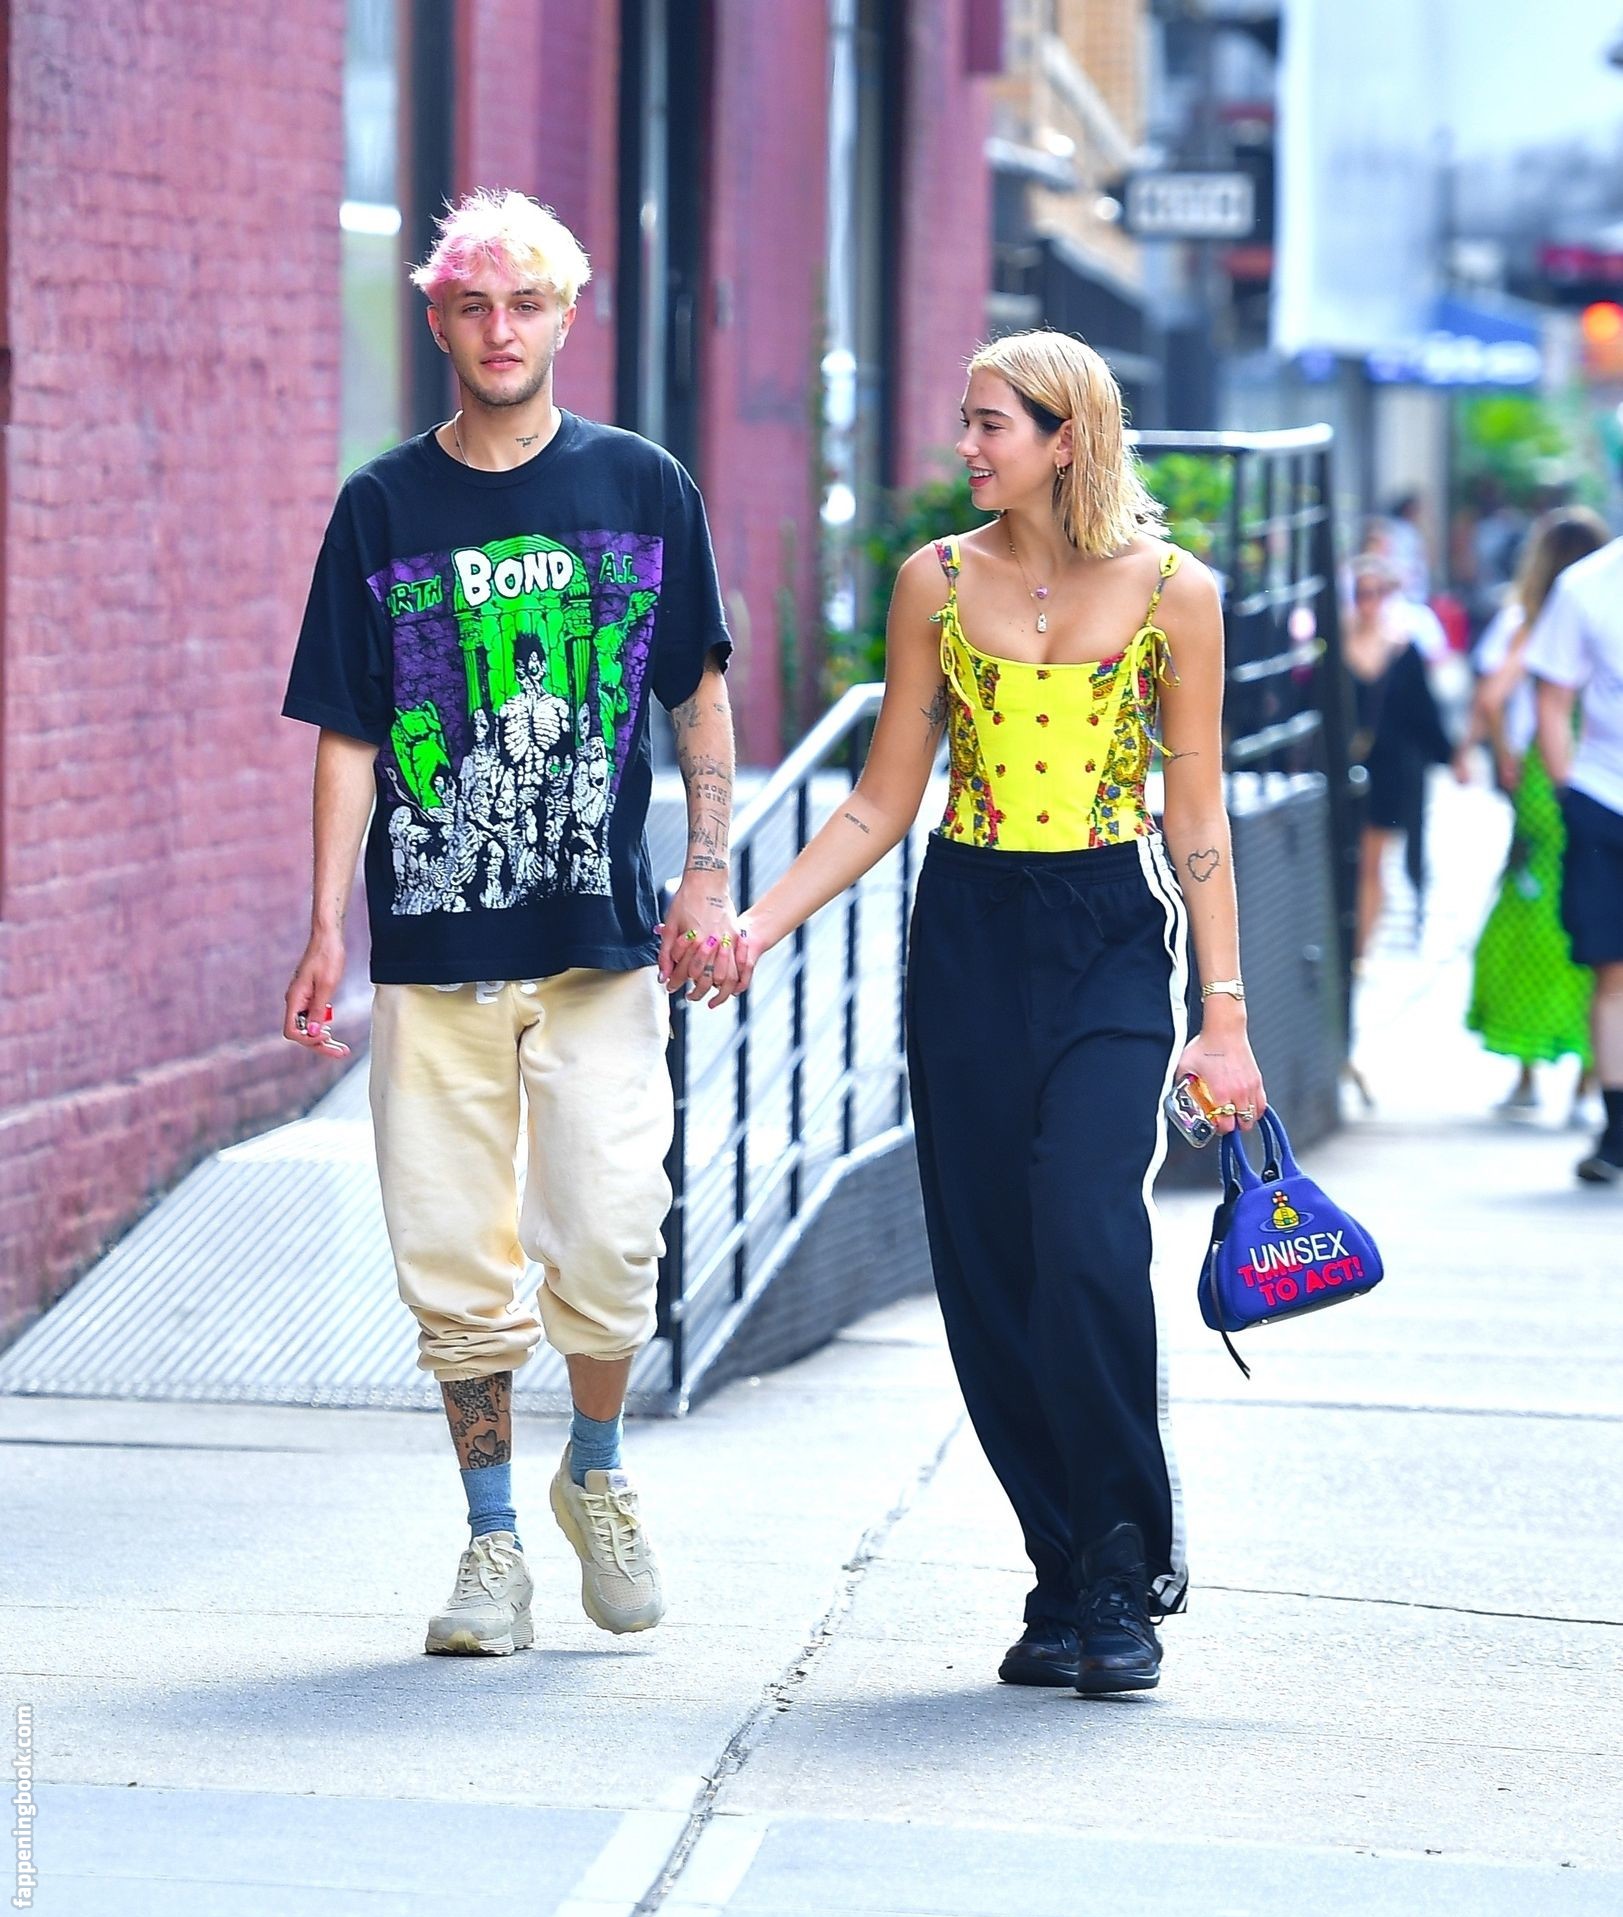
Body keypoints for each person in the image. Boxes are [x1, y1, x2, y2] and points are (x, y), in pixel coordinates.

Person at [708, 329, 1265, 1697]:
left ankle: (1123, 1569)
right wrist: (756, 924)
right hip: (965, 930)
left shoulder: (1176, 592)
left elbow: (1194, 810)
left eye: (988, 425)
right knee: (988, 1264)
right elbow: (877, 801)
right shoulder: (935, 583)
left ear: (1065, 438)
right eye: (965, 421)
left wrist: (1225, 1015)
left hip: (1108, 931)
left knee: (1084, 1237)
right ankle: (1058, 1570)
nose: (963, 447)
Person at [280, 189, 740, 1654]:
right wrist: (324, 929)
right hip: (432, 948)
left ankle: (593, 1471)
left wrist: (707, 873)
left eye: (525, 304)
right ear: (437, 322)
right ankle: (491, 1545)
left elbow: (697, 697)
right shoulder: (381, 505)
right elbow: (348, 732)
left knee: (610, 1236)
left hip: (598, 944)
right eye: (473, 306)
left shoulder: (642, 487)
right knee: (452, 1263)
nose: (500, 329)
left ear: (565, 318)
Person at [1462, 509, 1606, 1114]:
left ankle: (1527, 1069)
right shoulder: (1598, 608)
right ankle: (1591, 1077)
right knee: (1596, 922)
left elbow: (1492, 694)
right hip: (1593, 779)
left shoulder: (1527, 622)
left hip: (1544, 784)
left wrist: (1504, 757)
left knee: (1529, 916)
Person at [1527, 527, 1623, 1185]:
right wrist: (1566, 791)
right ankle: (1617, 1129)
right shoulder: (1587, 584)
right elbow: (1553, 695)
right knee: (1612, 969)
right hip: (1602, 796)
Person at [1343, 555, 1454, 958]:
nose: (1368, 602)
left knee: (1372, 861)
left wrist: (1450, 755)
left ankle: (1359, 953)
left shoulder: (1404, 648)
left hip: (1391, 769)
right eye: (1361, 593)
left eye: (1376, 593)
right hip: (1343, 768)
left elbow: (1423, 711)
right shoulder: (1334, 648)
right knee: (1348, 861)